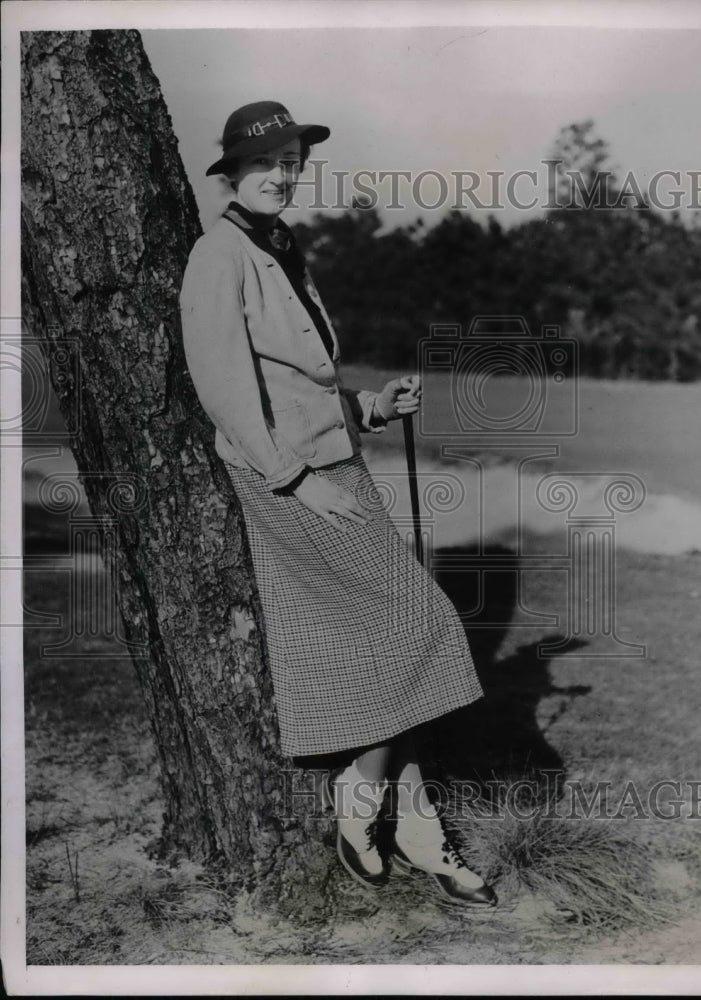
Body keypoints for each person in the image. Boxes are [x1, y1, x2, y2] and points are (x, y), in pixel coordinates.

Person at [179, 101, 496, 908]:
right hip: (288, 481)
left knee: (390, 647)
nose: (284, 175)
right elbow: (226, 390)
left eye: (293, 161)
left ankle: (414, 822)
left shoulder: (281, 247)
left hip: (334, 465)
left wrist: (373, 406)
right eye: (268, 162)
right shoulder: (219, 255)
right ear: (232, 173)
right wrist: (293, 480)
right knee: (419, 623)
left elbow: (299, 381)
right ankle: (361, 803)